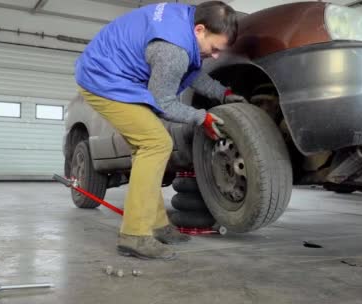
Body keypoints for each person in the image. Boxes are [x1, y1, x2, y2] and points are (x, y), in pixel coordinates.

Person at [75, 1, 246, 260]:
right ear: (200, 30)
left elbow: (191, 73)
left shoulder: (187, 23)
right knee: (156, 144)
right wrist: (202, 118)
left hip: (115, 70)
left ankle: (156, 225)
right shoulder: (172, 49)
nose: (216, 55)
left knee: (148, 147)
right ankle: (135, 235)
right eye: (215, 48)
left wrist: (223, 94)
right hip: (102, 78)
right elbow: (164, 103)